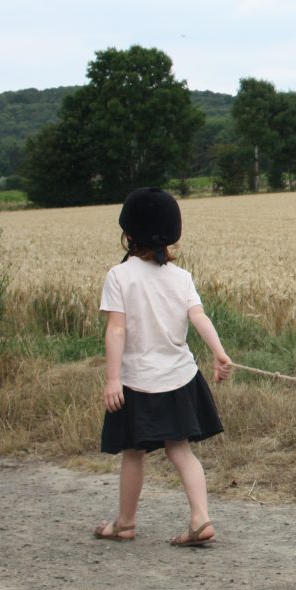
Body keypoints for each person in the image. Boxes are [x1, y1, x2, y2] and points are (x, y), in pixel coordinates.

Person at [92, 187, 233, 547]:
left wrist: (112, 380)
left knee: (133, 452)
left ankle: (125, 523)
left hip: (137, 381)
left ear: (128, 234)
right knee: (181, 450)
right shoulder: (180, 277)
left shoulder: (119, 276)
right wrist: (219, 353)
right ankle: (201, 518)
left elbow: (117, 328)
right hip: (180, 378)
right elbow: (198, 316)